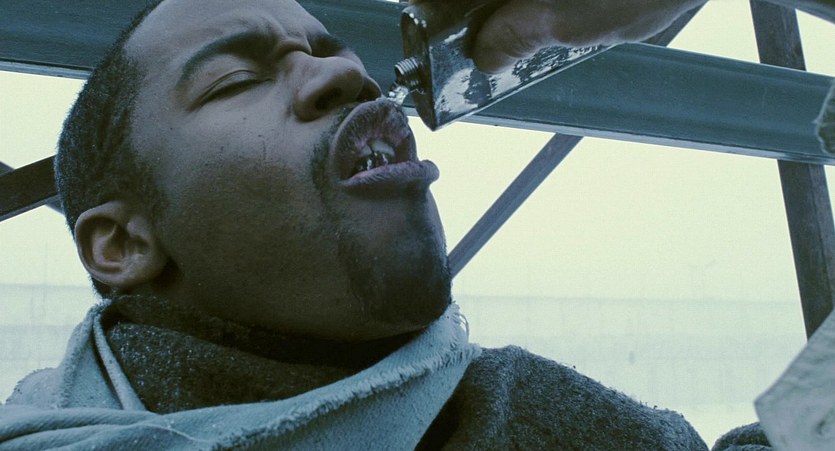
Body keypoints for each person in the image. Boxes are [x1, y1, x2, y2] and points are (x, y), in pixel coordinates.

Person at [0, 0, 722, 448]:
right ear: (123, 244)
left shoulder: (595, 433)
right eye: (236, 80)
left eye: (329, 53)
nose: (350, 77)